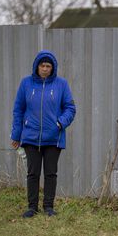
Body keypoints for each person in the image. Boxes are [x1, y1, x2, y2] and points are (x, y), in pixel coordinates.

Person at [10, 50, 76, 217]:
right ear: (36, 66)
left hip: (53, 138)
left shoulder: (61, 84)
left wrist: (60, 123)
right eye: (42, 65)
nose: (45, 69)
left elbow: (70, 108)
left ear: (53, 68)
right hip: (31, 137)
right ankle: (32, 207)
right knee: (32, 173)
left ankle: (48, 207)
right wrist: (16, 135)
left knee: (50, 173)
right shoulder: (26, 84)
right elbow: (18, 110)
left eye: (48, 66)